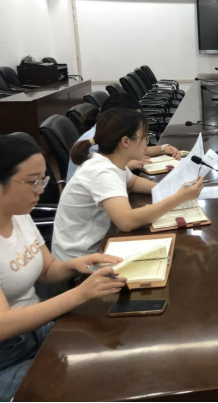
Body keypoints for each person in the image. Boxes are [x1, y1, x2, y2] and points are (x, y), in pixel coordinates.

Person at [0, 135, 126, 401]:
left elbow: (48, 270)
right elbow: (3, 324)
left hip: (34, 330)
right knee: (86, 384)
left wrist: (76, 264)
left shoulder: (18, 214)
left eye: (42, 180)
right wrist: (79, 294)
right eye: (32, 182)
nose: (40, 190)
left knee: (114, 341)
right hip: (6, 355)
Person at [52, 108, 203, 261]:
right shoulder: (102, 172)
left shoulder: (110, 161)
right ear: (125, 141)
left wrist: (172, 189)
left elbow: (133, 182)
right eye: (144, 137)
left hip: (98, 243)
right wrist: (179, 198)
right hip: (79, 260)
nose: (146, 143)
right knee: (171, 254)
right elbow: (127, 221)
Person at [65, 93, 181, 182]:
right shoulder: (96, 142)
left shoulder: (110, 132)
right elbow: (104, 173)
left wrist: (162, 148)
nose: (137, 124)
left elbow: (137, 149)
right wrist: (129, 164)